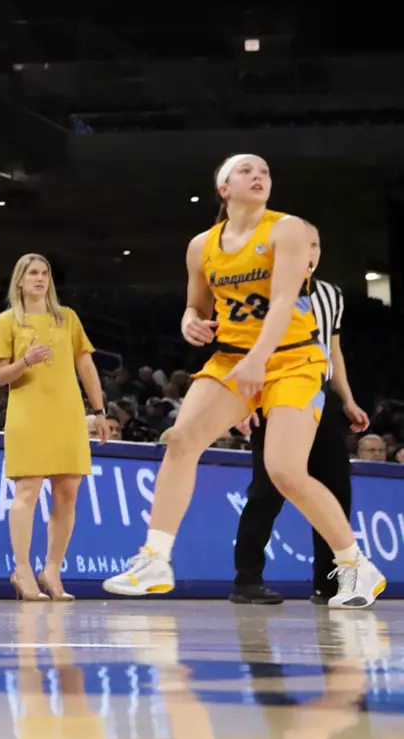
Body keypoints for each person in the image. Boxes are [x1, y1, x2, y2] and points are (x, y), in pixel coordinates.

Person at [104, 155, 384, 608]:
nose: (259, 176)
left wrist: (258, 361)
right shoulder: (201, 246)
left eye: (265, 171)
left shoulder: (287, 229)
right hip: (233, 358)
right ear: (224, 188)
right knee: (181, 440)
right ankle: (155, 559)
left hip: (292, 360)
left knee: (285, 471)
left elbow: (283, 302)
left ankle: (355, 565)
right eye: (247, 171)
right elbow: (196, 306)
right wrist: (190, 322)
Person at [231, 224, 363, 605]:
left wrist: (348, 399)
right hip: (274, 394)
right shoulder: (260, 290)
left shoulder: (332, 295)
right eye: (301, 244)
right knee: (268, 490)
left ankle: (330, 584)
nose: (309, 251)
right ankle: (247, 580)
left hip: (321, 396)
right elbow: (240, 346)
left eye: (315, 244)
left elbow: (333, 351)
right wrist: (243, 402)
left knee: (334, 490)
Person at [0, 254, 105, 602]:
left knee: (68, 493)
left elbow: (86, 365)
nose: (40, 278)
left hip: (67, 413)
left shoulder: (68, 318)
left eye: (45, 273)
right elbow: (0, 377)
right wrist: (26, 360)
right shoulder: (6, 321)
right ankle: (22, 570)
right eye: (33, 273)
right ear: (19, 281)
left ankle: (52, 570)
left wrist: (99, 410)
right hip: (28, 413)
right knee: (28, 491)